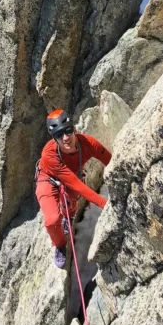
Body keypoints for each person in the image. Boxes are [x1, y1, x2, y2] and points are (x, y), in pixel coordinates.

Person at [35, 109, 111, 269]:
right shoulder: (49, 155)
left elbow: (111, 162)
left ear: (74, 129)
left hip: (71, 176)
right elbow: (76, 184)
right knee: (52, 220)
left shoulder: (89, 144)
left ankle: (69, 216)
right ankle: (60, 245)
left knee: (72, 197)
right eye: (59, 135)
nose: (65, 138)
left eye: (68, 131)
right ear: (54, 139)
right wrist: (105, 204)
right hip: (47, 179)